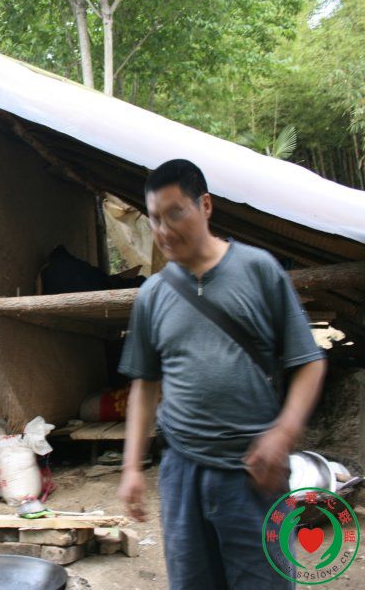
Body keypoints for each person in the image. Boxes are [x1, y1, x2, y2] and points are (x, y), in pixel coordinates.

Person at [117, 159, 326, 589]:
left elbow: (309, 361)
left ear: (206, 205)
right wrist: (132, 467)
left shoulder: (258, 270)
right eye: (155, 218)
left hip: (253, 474)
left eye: (176, 213)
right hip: (182, 472)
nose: (163, 230)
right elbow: (144, 385)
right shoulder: (152, 294)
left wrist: (284, 432)